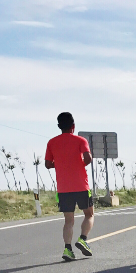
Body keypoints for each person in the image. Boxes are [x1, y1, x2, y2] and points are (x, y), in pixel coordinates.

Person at [44, 112, 94, 262]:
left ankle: (68, 249)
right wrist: (78, 165)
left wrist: (59, 164)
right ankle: (83, 239)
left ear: (59, 126)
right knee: (89, 214)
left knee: (68, 221)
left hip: (64, 188)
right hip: (81, 185)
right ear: (73, 126)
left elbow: (47, 164)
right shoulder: (80, 140)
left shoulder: (52, 142)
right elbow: (88, 158)